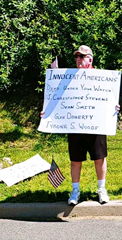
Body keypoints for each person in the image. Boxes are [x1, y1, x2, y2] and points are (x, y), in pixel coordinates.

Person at [41, 45, 117, 205]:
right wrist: (48, 113)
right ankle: (75, 190)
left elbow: (109, 99)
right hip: (74, 124)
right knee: (75, 159)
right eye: (77, 57)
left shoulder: (101, 78)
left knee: (100, 158)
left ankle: (101, 189)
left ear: (90, 59)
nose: (78, 60)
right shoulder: (68, 77)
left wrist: (115, 107)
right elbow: (58, 98)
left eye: (82, 57)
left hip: (96, 125)